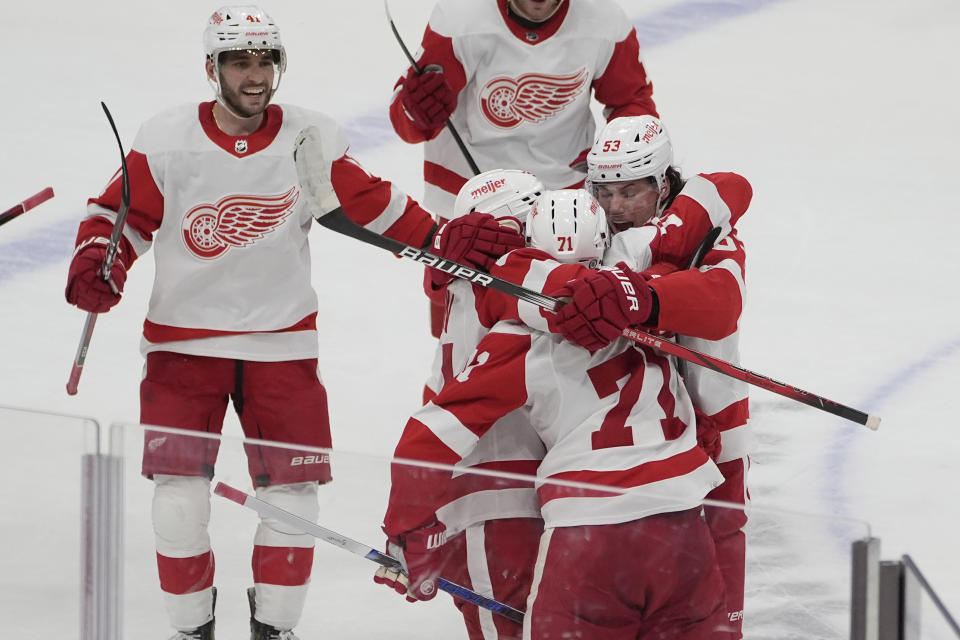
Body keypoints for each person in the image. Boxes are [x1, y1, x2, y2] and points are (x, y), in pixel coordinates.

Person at [63, 6, 521, 640]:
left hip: (282, 348)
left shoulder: (308, 137)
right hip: (181, 347)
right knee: (178, 505)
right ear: (211, 68)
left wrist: (442, 238)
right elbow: (117, 218)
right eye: (239, 62)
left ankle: (273, 630)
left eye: (264, 61)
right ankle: (190, 630)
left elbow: (373, 205)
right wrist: (98, 260)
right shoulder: (165, 139)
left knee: (293, 504)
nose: (255, 76)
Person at [378, 188, 731, 638]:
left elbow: (429, 438)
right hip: (686, 534)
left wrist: (409, 535)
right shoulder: (642, 296)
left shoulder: (519, 339)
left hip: (591, 538)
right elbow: (725, 195)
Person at [556, 114, 753, 638]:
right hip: (627, 435)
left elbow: (721, 304)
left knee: (719, 559)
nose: (615, 208)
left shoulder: (710, 233)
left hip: (713, 413)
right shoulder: (584, 223)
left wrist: (647, 291)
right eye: (604, 192)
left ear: (663, 185)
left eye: (629, 193)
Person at [389, 0, 660, 338]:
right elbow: (408, 123)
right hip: (476, 206)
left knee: (572, 334)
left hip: (568, 206)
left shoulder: (605, 21)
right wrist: (417, 110)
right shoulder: (460, 19)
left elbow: (630, 102)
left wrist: (626, 156)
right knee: (462, 336)